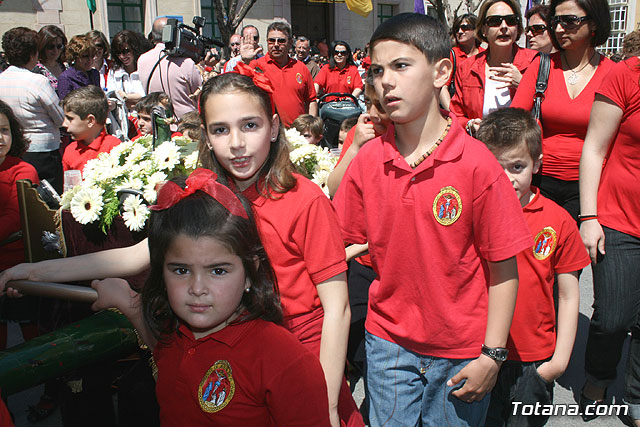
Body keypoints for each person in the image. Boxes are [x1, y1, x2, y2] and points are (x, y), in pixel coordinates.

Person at [0, 72, 364, 427]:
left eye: (249, 126)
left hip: (301, 359)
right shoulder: (202, 195)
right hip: (228, 357)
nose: (237, 143)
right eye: (221, 130)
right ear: (205, 135)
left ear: (272, 127)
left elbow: (337, 308)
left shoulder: (305, 199)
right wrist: (33, 271)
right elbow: (134, 256)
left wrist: (328, 402)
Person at [332, 13, 532, 426]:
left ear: (442, 71)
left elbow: (504, 266)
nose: (385, 81)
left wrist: (493, 354)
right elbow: (343, 242)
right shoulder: (369, 160)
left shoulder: (477, 164)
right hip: (388, 344)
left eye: (401, 66)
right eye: (376, 70)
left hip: (462, 349)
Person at [90, 169, 332, 426]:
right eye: (181, 270)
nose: (197, 288)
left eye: (218, 271)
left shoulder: (285, 360)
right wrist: (129, 304)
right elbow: (163, 354)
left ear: (250, 273)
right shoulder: (173, 332)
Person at [476, 108, 589, 427]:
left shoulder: (558, 221)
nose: (506, 178)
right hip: (479, 352)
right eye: (496, 167)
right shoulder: (473, 213)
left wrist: (559, 362)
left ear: (537, 164)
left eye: (517, 166)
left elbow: (568, 295)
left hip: (534, 359)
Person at [578, 33, 640, 423]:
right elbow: (594, 148)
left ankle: (636, 393)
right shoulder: (626, 74)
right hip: (618, 216)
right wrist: (589, 217)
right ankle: (598, 374)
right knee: (613, 317)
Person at [511, 0, 613, 221]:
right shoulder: (541, 66)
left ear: (594, 24)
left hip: (593, 189)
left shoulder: (613, 74)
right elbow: (514, 121)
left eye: (569, 21)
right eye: (555, 21)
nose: (558, 29)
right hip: (540, 183)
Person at [450, 0, 538, 135]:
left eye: (511, 20)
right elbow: (456, 115)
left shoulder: (535, 62)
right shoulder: (467, 68)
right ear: (483, 29)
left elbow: (551, 110)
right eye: (494, 21)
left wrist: (524, 86)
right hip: (481, 147)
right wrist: (470, 124)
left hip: (522, 149)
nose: (504, 26)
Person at [0, 27, 65, 193]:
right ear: (33, 54)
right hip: (43, 152)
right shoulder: (38, 81)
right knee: (49, 201)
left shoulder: (1, 80)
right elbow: (59, 118)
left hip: (13, 149)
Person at [0, 100, 40, 351]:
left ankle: (55, 387)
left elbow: (15, 217)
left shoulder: (23, 169)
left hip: (18, 265)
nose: (0, 137)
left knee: (35, 343)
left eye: (4, 130)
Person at [246, 22, 318, 127]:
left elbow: (311, 100)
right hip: (266, 132)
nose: (276, 44)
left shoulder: (301, 67)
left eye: (281, 41)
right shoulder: (254, 66)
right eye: (271, 40)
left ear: (290, 43)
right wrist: (245, 61)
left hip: (297, 133)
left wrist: (312, 128)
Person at [137, 16, 202, 118]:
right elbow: (199, 94)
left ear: (152, 37)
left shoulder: (142, 60)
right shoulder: (186, 63)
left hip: (158, 122)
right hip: (187, 125)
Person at [61, 86, 121, 173]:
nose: (64, 124)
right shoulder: (70, 150)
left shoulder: (113, 147)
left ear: (90, 120)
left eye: (70, 118)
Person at [107, 30, 147, 111]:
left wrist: (124, 96)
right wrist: (135, 99)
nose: (122, 56)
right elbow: (112, 96)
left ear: (134, 49)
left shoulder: (144, 69)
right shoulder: (114, 72)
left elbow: (146, 95)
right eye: (118, 53)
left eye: (125, 51)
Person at [57, 34, 100, 101]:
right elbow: (65, 105)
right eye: (85, 56)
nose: (90, 60)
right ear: (75, 56)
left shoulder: (95, 74)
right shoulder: (66, 78)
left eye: (92, 56)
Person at [33, 25, 68, 91]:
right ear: (42, 46)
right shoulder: (37, 71)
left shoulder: (64, 67)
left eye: (59, 46)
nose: (56, 50)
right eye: (51, 46)